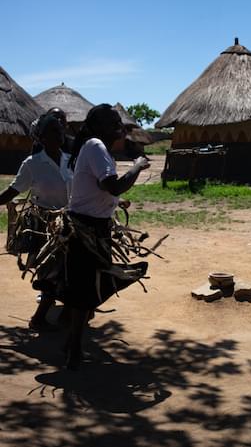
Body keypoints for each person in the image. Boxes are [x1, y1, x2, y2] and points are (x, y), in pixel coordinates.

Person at [64, 103, 150, 370]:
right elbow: (111, 185)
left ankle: (73, 344)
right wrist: (136, 166)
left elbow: (101, 190)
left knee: (89, 285)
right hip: (85, 228)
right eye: (113, 122)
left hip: (93, 227)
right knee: (85, 288)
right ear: (99, 126)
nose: (118, 126)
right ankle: (74, 350)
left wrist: (116, 203)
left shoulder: (93, 147)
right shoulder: (95, 146)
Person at [0, 115, 73, 331]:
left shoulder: (70, 159)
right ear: (40, 137)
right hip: (46, 225)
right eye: (52, 131)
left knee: (72, 268)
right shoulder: (32, 164)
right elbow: (12, 191)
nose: (58, 134)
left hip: (71, 222)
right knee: (53, 270)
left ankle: (69, 311)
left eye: (59, 130)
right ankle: (38, 318)